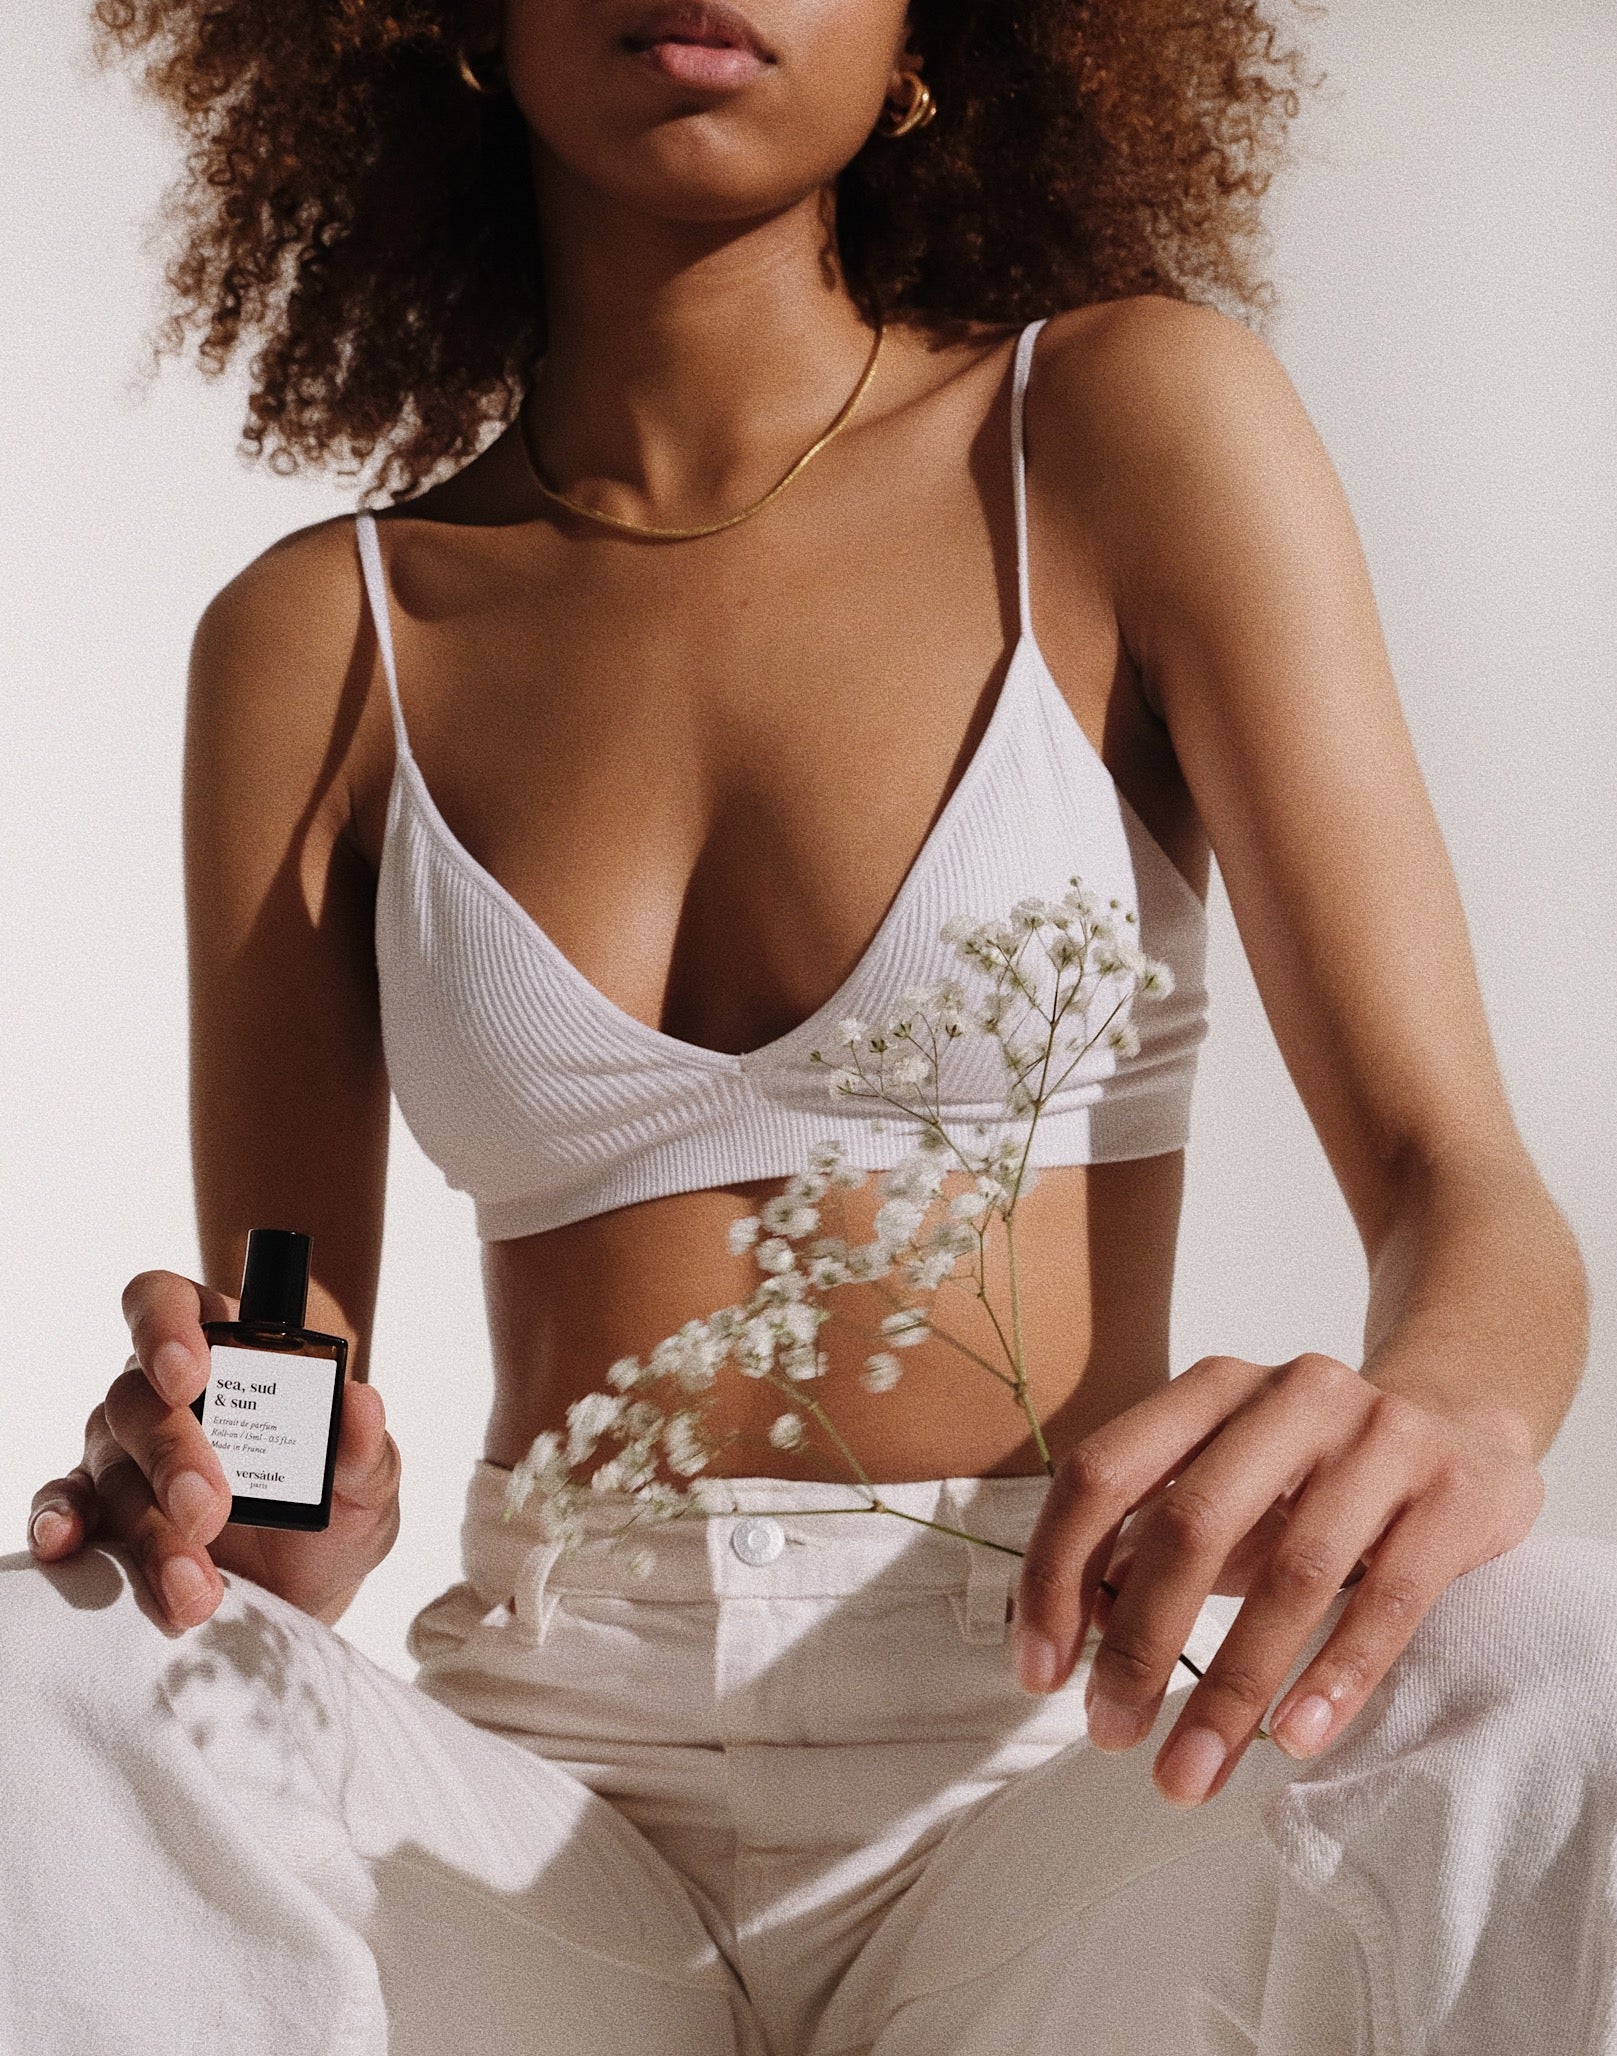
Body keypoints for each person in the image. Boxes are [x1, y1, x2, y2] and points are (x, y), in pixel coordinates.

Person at [4, 2, 1614, 2051]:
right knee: (42, 1663)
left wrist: (1445, 1421)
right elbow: (286, 1344)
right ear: (456, 20)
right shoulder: (325, 641)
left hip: (1056, 1780)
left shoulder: (1116, 439)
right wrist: (213, 1460)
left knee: (1556, 1650)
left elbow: (1450, 1181)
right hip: (537, 1838)